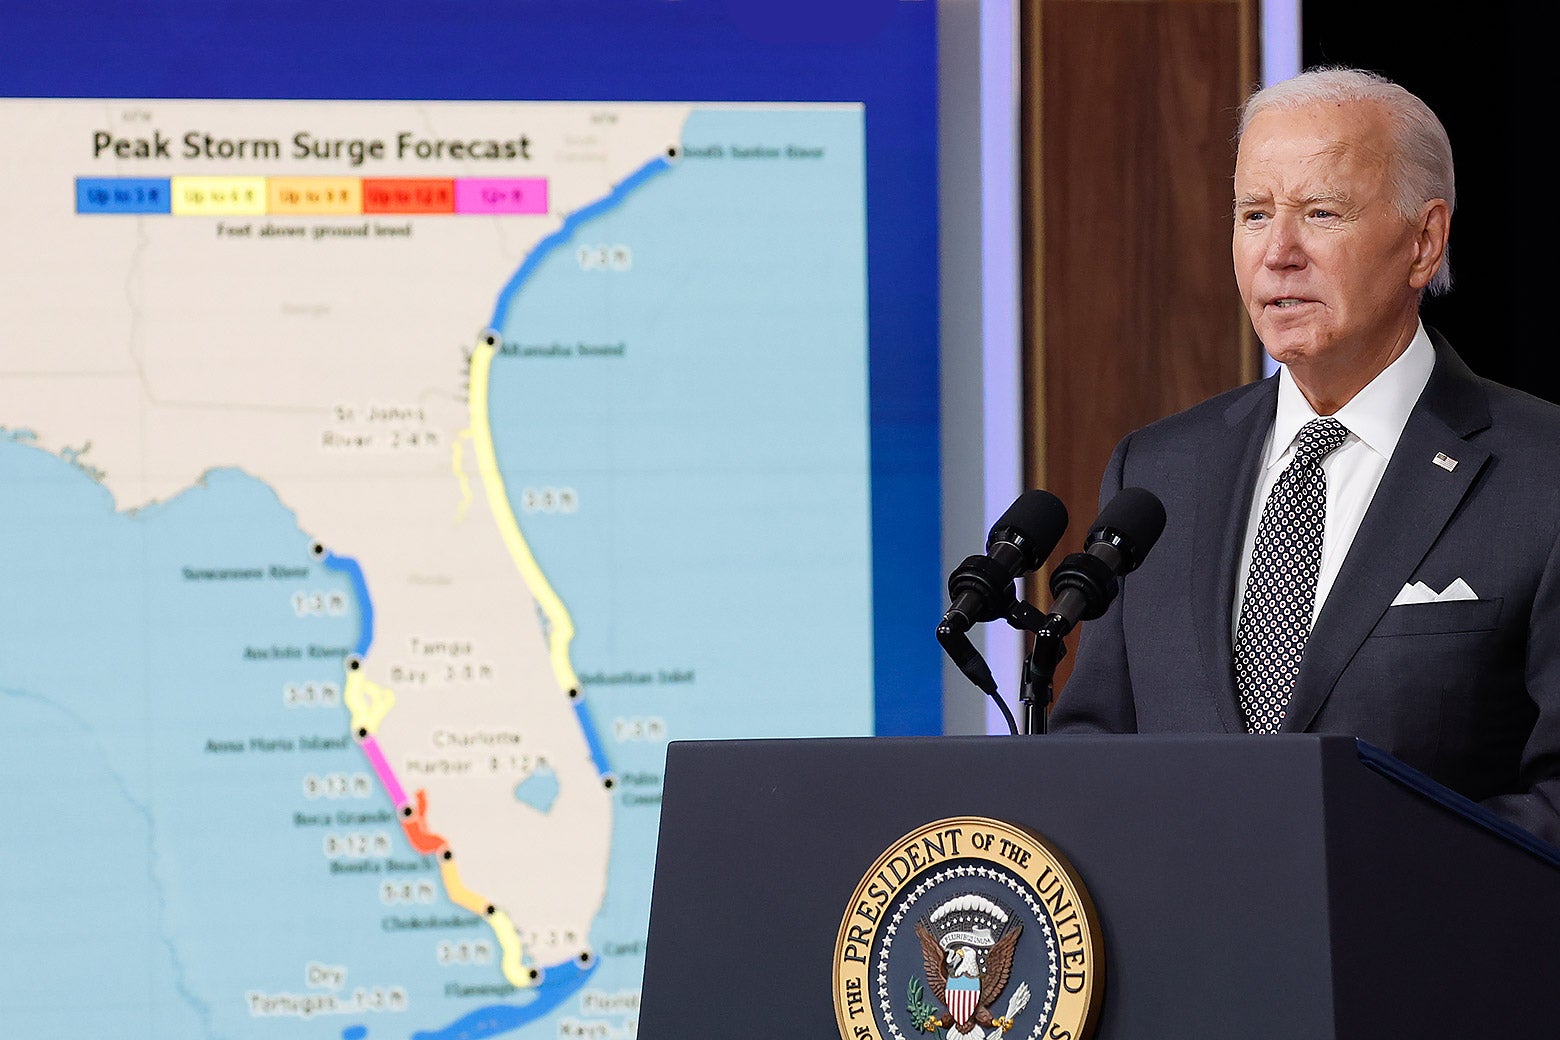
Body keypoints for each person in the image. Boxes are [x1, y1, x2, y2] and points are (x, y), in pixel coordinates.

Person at [1047, 66, 1560, 847]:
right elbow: (1092, 750)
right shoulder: (1157, 472)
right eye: (1254, 214)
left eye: (1321, 212)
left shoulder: (1541, 473)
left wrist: (1341, 882)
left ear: (1424, 243)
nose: (1278, 252)